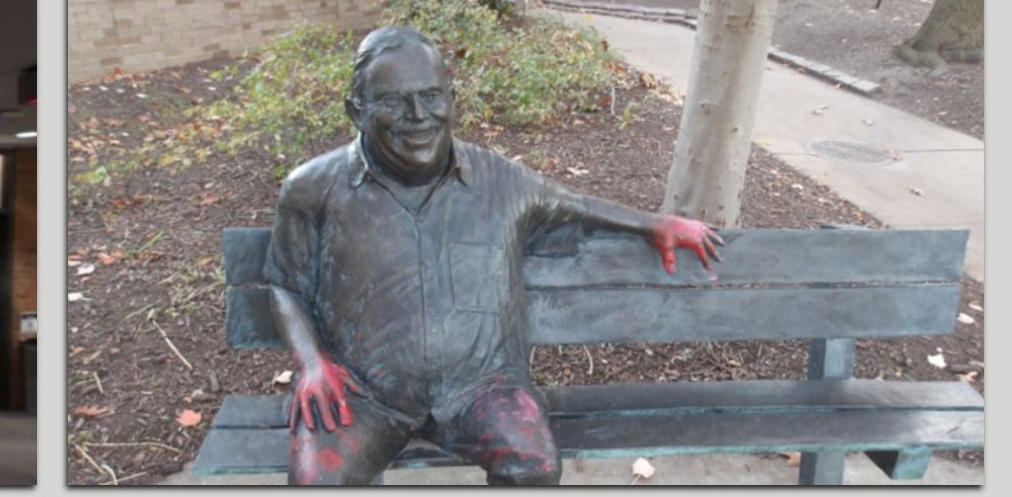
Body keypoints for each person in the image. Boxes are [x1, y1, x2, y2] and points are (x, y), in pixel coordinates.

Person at [266, 26, 724, 485]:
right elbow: (286, 283)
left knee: (535, 467)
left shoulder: (502, 182)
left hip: (483, 389)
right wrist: (311, 361)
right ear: (356, 111)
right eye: (392, 101)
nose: (419, 115)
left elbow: (577, 206)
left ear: (452, 98)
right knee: (315, 481)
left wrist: (654, 224)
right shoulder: (313, 190)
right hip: (363, 394)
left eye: (431, 95)